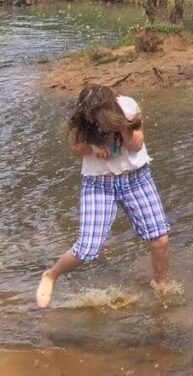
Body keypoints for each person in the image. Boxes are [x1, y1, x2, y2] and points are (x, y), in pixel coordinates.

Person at [36, 85, 170, 309]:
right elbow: (75, 149)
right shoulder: (84, 119)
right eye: (88, 114)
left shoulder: (127, 106)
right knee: (86, 249)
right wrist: (92, 144)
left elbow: (135, 146)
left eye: (95, 114)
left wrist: (121, 126)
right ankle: (51, 275)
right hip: (99, 184)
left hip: (136, 177)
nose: (91, 117)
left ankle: (161, 287)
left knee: (159, 238)